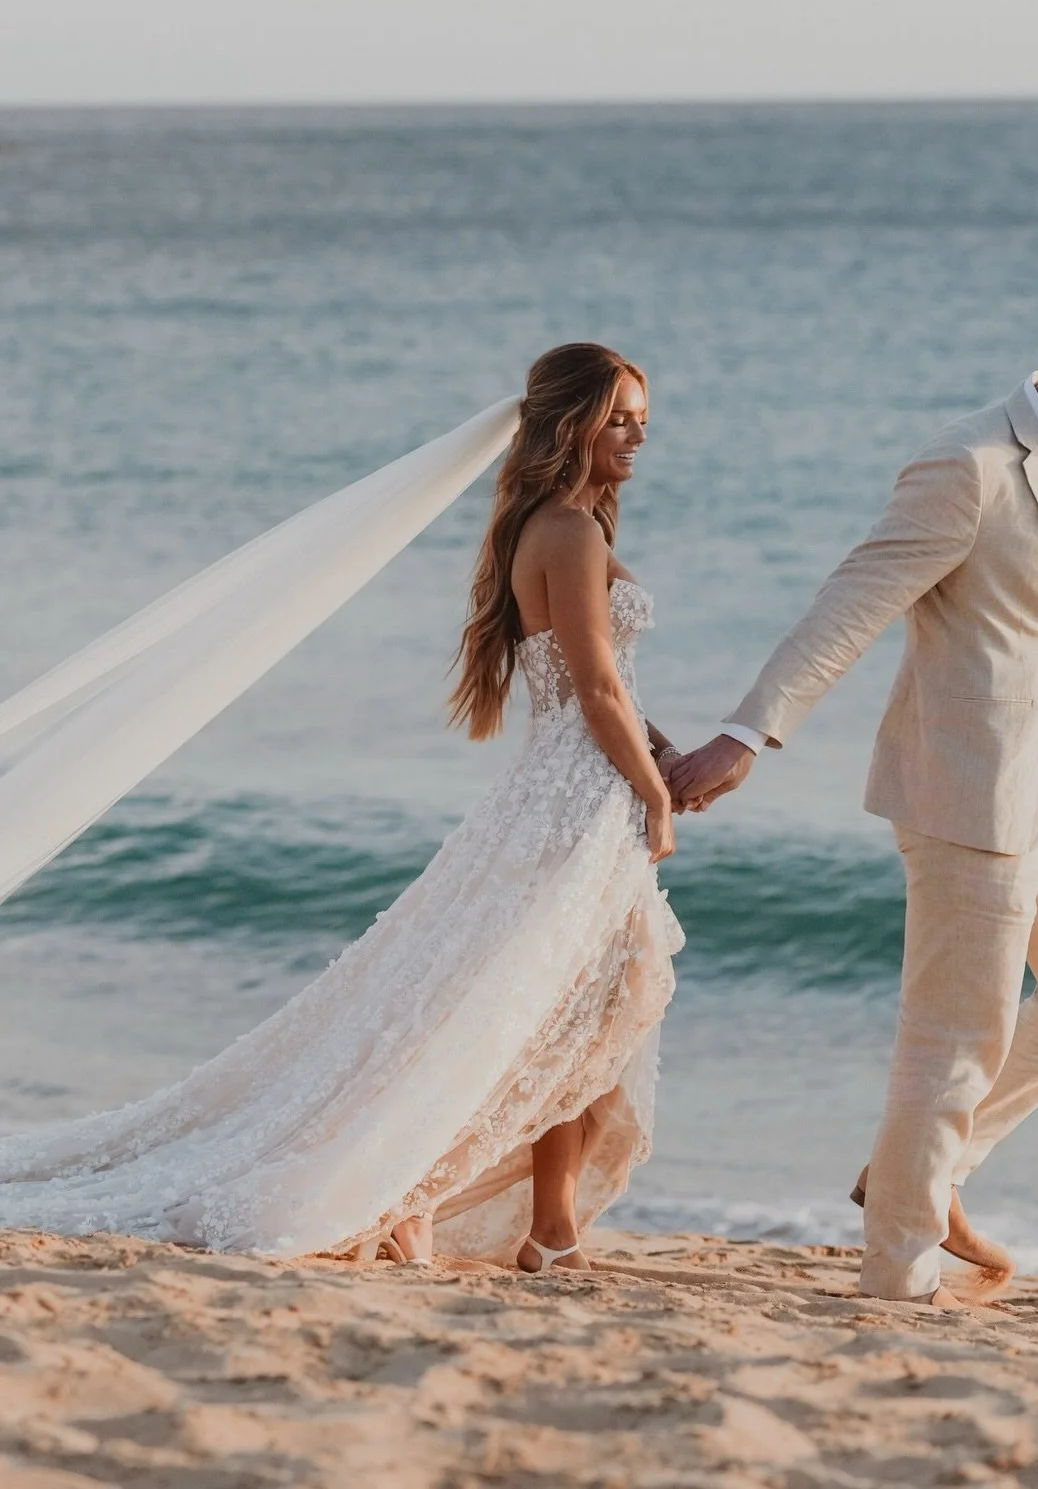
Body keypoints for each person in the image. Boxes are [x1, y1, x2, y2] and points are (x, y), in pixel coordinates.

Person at [0, 343, 683, 1275]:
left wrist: (661, 746)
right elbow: (595, 692)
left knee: (570, 1013)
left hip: (568, 785)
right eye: (619, 419)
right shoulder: (569, 531)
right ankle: (484, 1211)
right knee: (565, 1014)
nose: (637, 436)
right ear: (571, 424)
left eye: (642, 420)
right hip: (580, 795)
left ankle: (530, 1223)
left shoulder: (558, 525)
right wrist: (654, 791)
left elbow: (599, 685)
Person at [670, 298, 1038, 1308]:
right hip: (966, 789)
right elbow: (854, 598)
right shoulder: (969, 465)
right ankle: (898, 1277)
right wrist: (748, 731)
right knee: (952, 1044)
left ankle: (930, 1170)